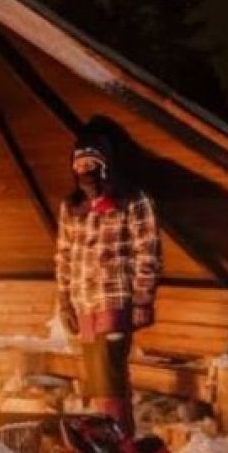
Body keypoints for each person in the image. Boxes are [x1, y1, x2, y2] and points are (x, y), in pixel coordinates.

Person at [54, 117, 162, 435]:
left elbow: (148, 251)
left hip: (115, 299)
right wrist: (64, 301)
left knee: (110, 375)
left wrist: (143, 299)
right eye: (79, 163)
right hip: (83, 302)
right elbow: (63, 256)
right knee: (96, 378)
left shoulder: (133, 200)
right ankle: (106, 438)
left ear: (105, 164)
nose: (85, 169)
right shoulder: (72, 207)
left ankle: (119, 441)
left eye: (92, 162)